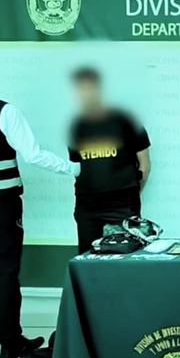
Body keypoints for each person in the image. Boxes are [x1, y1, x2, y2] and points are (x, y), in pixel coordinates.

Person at [0, 51, 80, 358]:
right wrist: (74, 168)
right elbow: (33, 155)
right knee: (6, 271)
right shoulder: (3, 111)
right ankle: (10, 341)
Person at [68, 68, 151, 254]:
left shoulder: (129, 122)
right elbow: (78, 167)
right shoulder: (76, 126)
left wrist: (131, 194)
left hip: (122, 205)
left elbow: (145, 166)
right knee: (88, 258)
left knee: (124, 258)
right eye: (81, 89)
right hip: (87, 207)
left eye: (90, 88)